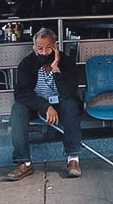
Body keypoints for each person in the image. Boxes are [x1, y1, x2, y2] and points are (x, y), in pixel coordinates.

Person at [7, 29, 82, 181]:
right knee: (18, 109)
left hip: (61, 103)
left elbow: (70, 91)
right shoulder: (27, 64)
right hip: (38, 105)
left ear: (55, 46)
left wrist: (56, 70)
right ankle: (24, 163)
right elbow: (21, 94)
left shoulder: (67, 62)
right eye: (39, 48)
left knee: (71, 105)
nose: (44, 52)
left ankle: (72, 159)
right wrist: (45, 107)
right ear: (34, 48)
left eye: (48, 47)